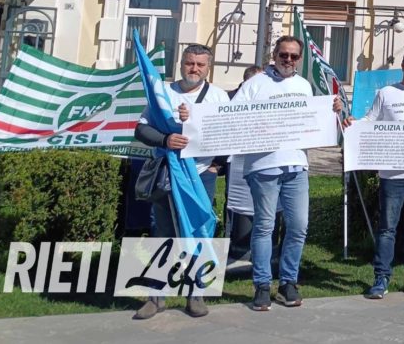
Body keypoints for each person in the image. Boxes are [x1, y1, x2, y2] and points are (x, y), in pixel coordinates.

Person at [132, 44, 230, 320]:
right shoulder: (163, 93)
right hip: (167, 173)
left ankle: (196, 294)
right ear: (181, 64)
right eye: (189, 63)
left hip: (200, 175)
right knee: (161, 232)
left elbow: (229, 133)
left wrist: (216, 165)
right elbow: (141, 129)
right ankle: (156, 296)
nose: (194, 69)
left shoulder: (219, 97)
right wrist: (165, 139)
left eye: (200, 64)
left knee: (199, 232)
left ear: (208, 67)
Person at [338, 49, 404, 299]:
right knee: (387, 229)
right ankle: (381, 278)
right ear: (403, 66)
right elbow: (370, 121)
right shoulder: (386, 93)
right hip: (391, 175)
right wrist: (353, 123)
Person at [233, 36, 313, 311]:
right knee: (265, 226)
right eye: (283, 54)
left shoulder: (304, 86)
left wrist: (332, 111)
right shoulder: (255, 84)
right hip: (263, 165)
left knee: (298, 226)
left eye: (293, 56)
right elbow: (233, 117)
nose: (288, 60)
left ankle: (288, 282)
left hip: (296, 165)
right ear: (274, 55)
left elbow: (312, 121)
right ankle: (262, 285)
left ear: (299, 59)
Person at [225, 64, 265, 268]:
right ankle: (234, 247)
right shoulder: (230, 98)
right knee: (235, 206)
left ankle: (258, 250)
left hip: (263, 161)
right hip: (236, 163)